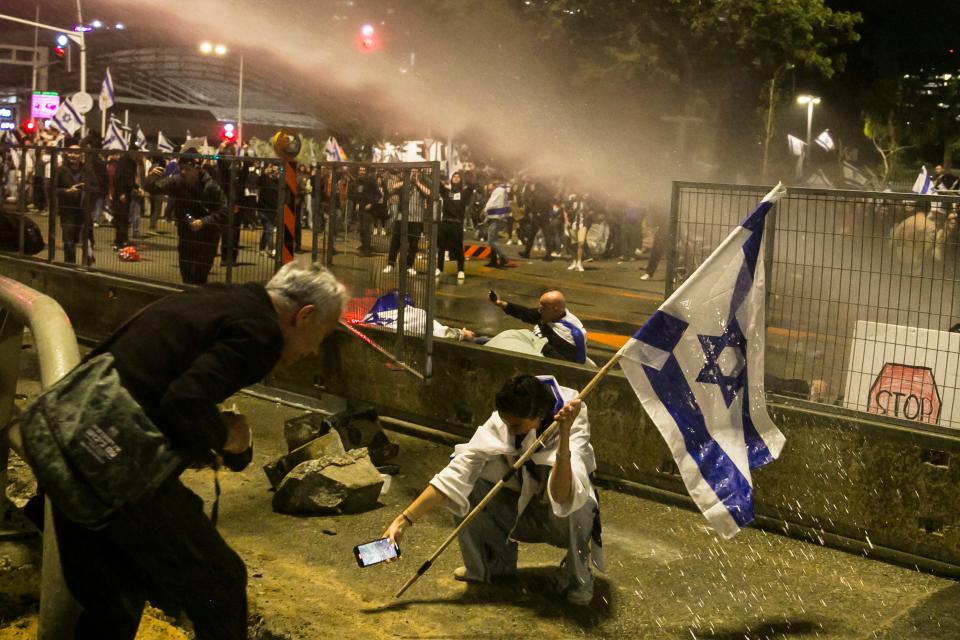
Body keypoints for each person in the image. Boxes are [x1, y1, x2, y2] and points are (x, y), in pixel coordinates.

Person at [48, 261, 349, 640]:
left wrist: (207, 432)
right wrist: (227, 438)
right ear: (303, 316)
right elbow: (183, 401)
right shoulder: (262, 334)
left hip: (67, 438)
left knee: (116, 594)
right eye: (321, 335)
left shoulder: (224, 298)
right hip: (113, 463)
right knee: (220, 584)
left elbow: (164, 385)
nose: (315, 350)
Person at [384, 374, 601, 606]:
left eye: (516, 426)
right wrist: (403, 521)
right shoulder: (502, 421)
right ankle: (494, 564)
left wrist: (565, 435)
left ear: (538, 415)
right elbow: (455, 472)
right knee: (468, 484)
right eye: (506, 423)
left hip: (558, 520)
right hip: (518, 513)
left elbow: (562, 496)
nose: (509, 430)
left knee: (581, 498)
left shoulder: (573, 420)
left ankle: (577, 574)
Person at [145, 149, 228, 285]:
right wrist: (152, 176)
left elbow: (225, 210)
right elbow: (154, 187)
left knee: (200, 276)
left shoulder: (211, 187)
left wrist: (203, 221)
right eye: (181, 168)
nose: (183, 172)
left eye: (187, 169)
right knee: (187, 275)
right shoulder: (178, 181)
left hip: (207, 238)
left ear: (198, 169)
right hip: (186, 235)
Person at [489, 289, 588, 364]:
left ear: (555, 309)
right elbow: (525, 313)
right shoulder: (547, 314)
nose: (539, 309)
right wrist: (499, 303)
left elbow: (570, 363)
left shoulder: (571, 333)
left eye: (543, 306)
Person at [383, 168, 432, 276]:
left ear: (419, 173)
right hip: (402, 218)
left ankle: (408, 266)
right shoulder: (404, 183)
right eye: (412, 171)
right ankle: (390, 264)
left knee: (413, 245)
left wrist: (418, 183)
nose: (414, 173)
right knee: (395, 242)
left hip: (417, 219)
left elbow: (430, 193)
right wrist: (407, 180)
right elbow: (392, 187)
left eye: (416, 171)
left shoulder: (423, 183)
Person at [437, 171, 471, 280]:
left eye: (458, 177)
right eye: (454, 176)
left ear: (461, 180)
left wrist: (467, 174)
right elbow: (437, 184)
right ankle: (439, 268)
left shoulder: (464, 193)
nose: (456, 178)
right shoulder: (446, 192)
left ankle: (460, 270)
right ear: (451, 179)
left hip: (457, 224)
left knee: (458, 248)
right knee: (441, 247)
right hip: (445, 222)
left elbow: (473, 185)